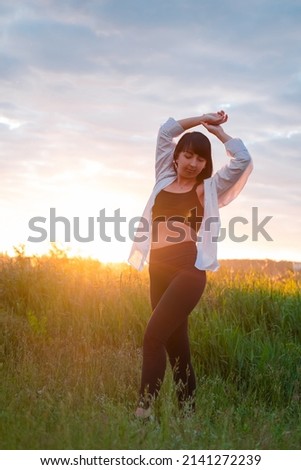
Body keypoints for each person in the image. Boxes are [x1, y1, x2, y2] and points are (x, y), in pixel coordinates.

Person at [128, 111, 253, 418]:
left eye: (200, 159)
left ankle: (143, 411)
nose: (192, 163)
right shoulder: (163, 177)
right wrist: (201, 119)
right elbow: (165, 132)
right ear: (177, 157)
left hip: (187, 270)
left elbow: (243, 159)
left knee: (152, 336)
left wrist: (219, 134)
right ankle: (188, 416)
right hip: (157, 269)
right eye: (187, 155)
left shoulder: (207, 188)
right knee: (177, 348)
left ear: (204, 163)